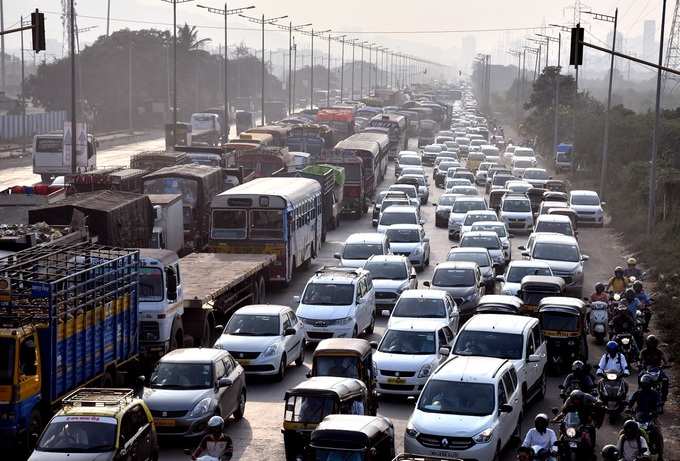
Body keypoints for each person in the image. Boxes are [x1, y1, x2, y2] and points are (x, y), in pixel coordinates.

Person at [639, 335, 669, 402]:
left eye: (653, 343)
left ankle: (664, 396)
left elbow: (665, 359)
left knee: (665, 379)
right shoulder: (643, 352)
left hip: (658, 369)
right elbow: (639, 359)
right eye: (650, 343)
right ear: (647, 343)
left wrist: (666, 364)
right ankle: (640, 391)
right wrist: (639, 364)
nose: (652, 345)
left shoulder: (659, 352)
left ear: (656, 343)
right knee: (640, 376)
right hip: (647, 369)